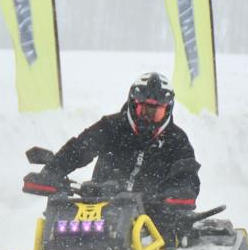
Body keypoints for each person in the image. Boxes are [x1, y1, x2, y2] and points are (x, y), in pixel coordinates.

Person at [24, 72, 200, 234]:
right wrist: (52, 171)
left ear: (167, 110)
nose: (148, 117)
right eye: (143, 110)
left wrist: (178, 194)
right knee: (61, 229)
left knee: (173, 236)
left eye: (156, 113)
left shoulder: (177, 140)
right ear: (133, 105)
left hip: (153, 217)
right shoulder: (111, 126)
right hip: (100, 210)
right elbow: (78, 149)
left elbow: (187, 175)